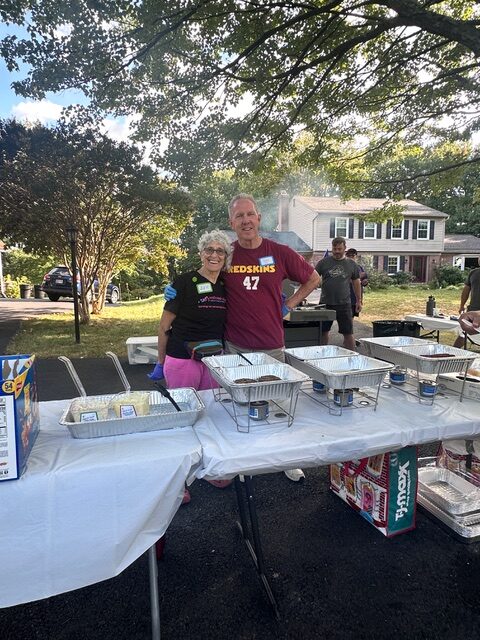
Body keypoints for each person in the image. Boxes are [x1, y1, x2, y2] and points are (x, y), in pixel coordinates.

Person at [165, 194, 320, 482]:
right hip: (234, 344)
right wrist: (177, 289)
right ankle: (245, 458)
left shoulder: (279, 252)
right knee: (238, 405)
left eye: (250, 214)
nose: (246, 220)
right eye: (239, 216)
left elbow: (313, 278)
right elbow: (204, 275)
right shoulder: (228, 254)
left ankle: (285, 458)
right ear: (231, 222)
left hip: (271, 343)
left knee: (278, 403)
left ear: (259, 218)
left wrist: (290, 304)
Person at [150, 228, 232, 512]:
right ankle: (178, 481)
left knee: (209, 417)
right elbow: (164, 326)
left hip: (213, 360)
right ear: (200, 253)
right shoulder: (184, 282)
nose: (214, 255)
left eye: (220, 251)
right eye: (209, 250)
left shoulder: (226, 284)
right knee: (182, 421)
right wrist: (160, 362)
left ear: (226, 256)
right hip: (182, 359)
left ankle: (209, 471)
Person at [315, 237, 361, 351]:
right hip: (325, 304)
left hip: (344, 304)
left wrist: (358, 300)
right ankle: (321, 355)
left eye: (339, 249)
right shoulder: (323, 263)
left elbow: (356, 282)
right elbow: (313, 278)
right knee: (323, 332)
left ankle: (352, 357)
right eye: (334, 249)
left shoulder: (351, 264)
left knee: (348, 333)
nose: (336, 251)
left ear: (345, 248)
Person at [453, 259, 480, 348]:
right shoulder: (473, 273)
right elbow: (466, 290)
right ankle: (453, 352)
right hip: (472, 311)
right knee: (463, 334)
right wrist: (462, 306)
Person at [345, 248, 368, 318]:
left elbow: (364, 281)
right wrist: (357, 278)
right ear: (346, 256)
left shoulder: (359, 267)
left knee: (351, 317)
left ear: (356, 257)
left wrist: (364, 282)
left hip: (356, 298)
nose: (351, 257)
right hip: (346, 298)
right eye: (349, 255)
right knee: (347, 318)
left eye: (353, 255)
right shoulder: (344, 267)